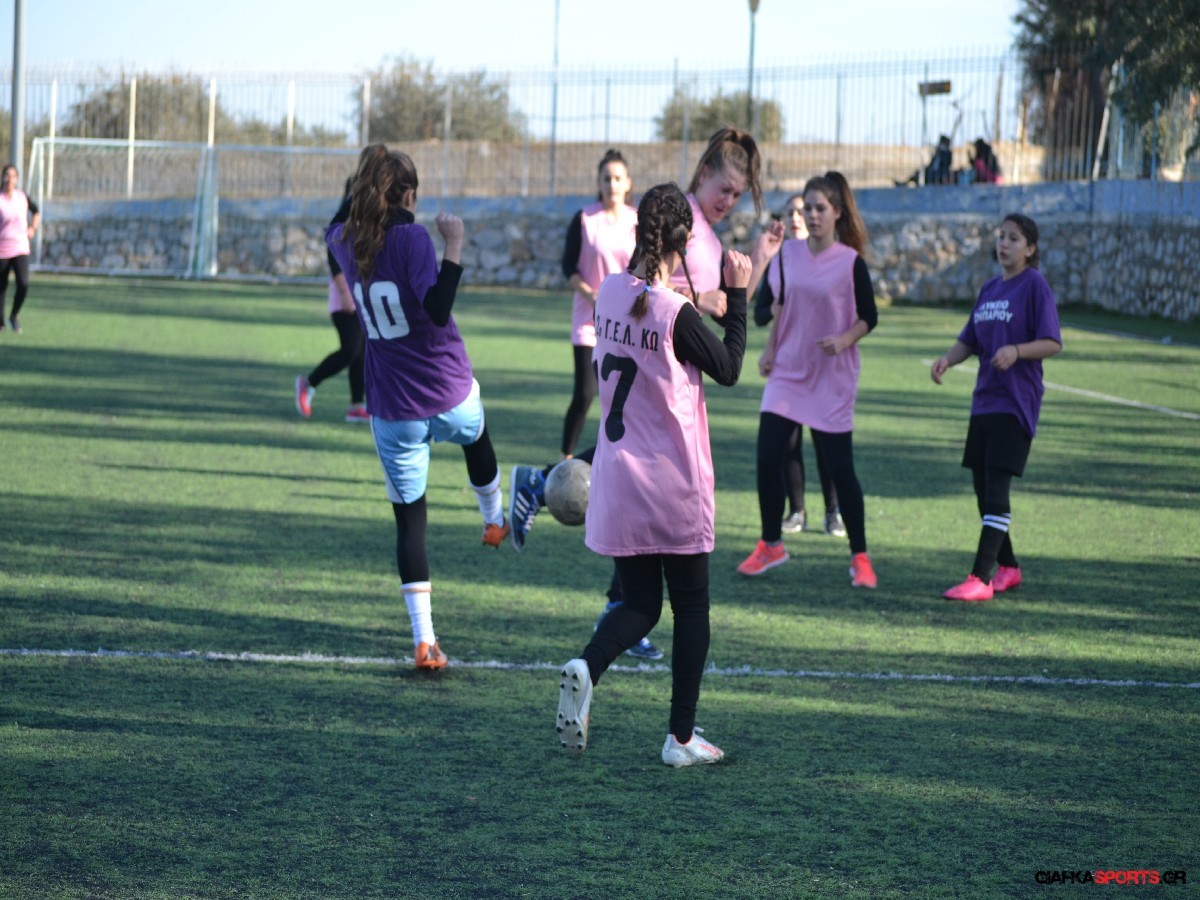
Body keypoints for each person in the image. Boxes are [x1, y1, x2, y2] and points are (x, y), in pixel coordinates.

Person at [510, 128, 781, 659]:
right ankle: (544, 486)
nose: (729, 200)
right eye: (725, 188)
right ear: (703, 174)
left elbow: (708, 307)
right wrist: (708, 298)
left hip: (647, 377)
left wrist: (757, 259)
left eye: (738, 194)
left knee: (630, 451)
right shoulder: (686, 225)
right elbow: (675, 304)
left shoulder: (696, 238)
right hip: (655, 384)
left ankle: (618, 612)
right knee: (643, 458)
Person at [555, 182, 763, 767]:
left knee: (641, 604)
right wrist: (739, 294)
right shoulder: (676, 313)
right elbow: (729, 367)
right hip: (672, 482)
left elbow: (643, 303)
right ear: (684, 242)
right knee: (691, 608)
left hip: (618, 480)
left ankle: (587, 665)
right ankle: (680, 737)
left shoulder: (609, 292)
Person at [325, 144, 510, 671]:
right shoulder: (412, 238)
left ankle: (425, 643)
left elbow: (338, 222)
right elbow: (438, 307)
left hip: (393, 407)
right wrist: (454, 244)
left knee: (411, 521)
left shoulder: (342, 240)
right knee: (476, 435)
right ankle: (494, 521)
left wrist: (364, 184)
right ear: (407, 195)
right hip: (446, 389)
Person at [738, 172, 879, 588]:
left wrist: (844, 339)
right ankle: (771, 544)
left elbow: (869, 316)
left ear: (837, 213)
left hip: (831, 379)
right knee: (768, 458)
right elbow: (781, 305)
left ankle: (860, 557)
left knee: (841, 470)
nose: (813, 215)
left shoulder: (851, 262)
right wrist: (769, 350)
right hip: (787, 373)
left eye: (820, 208)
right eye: (808, 208)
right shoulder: (787, 254)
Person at [931, 213, 1062, 601]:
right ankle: (1009, 568)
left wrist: (1017, 351)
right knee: (982, 490)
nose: (1004, 243)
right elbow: (969, 340)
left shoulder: (1034, 286)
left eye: (1014, 238)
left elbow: (1052, 342)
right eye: (1001, 236)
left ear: (1030, 248)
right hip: (984, 402)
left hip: (1015, 403)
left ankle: (981, 578)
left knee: (997, 490)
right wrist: (947, 359)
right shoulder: (989, 288)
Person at [754, 192, 844, 537]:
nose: (796, 217)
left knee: (825, 442)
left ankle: (833, 512)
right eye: (790, 212)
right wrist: (776, 311)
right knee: (788, 443)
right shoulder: (779, 260)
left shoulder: (831, 258)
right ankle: (797, 511)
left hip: (822, 363)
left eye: (802, 211)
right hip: (787, 365)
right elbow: (761, 313)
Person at [558, 149, 637, 458]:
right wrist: (590, 294)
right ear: (599, 182)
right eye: (607, 178)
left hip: (626, 323)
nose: (612, 184)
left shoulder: (638, 221)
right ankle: (565, 461)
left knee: (622, 401)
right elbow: (568, 267)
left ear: (628, 183)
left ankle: (616, 461)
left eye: (618, 178)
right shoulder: (584, 219)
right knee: (585, 394)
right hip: (589, 322)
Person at [295, 178, 368, 423]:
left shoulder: (362, 225)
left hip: (360, 298)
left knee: (361, 352)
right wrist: (346, 294)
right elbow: (334, 261)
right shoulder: (340, 226)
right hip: (344, 300)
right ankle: (308, 383)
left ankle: (356, 406)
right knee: (350, 350)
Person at [0, 164, 41, 335]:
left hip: (20, 247)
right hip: (2, 249)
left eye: (13, 176)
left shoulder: (22, 197)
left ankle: (14, 315)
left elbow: (36, 211)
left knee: (23, 284)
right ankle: (0, 322)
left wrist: (33, 228)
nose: (9, 179)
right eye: (6, 175)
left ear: (17, 179)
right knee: (1, 287)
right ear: (2, 177)